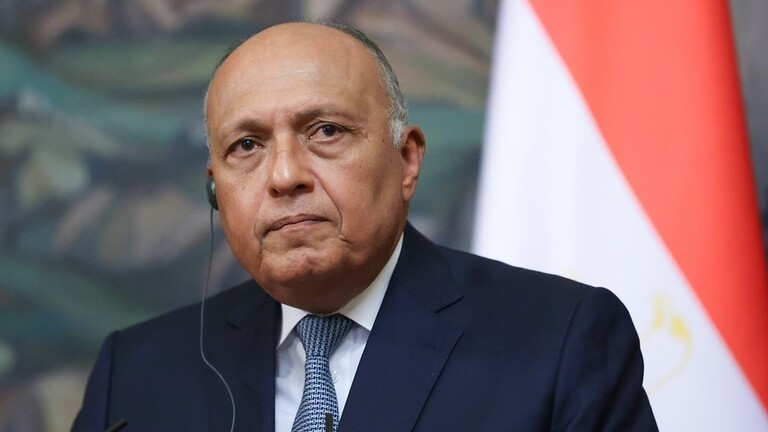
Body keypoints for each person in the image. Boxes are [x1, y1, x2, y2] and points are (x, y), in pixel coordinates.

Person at [71, 21, 658, 431]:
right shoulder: (135, 372)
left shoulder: (559, 342)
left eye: (325, 131)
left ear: (407, 161)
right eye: (246, 145)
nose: (284, 176)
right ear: (214, 190)